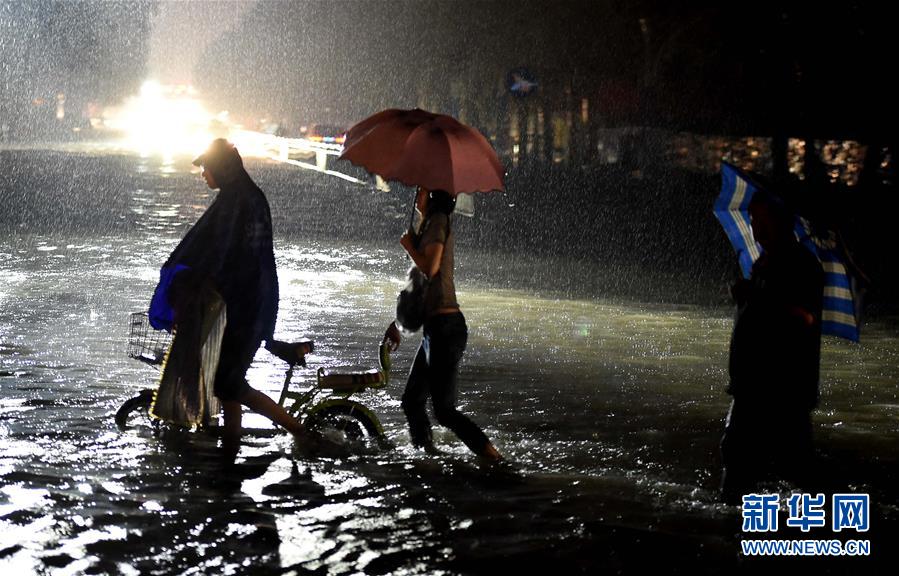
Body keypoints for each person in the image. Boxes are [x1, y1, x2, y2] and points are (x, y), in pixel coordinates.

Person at [164, 138, 305, 463]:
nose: (203, 174)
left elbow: (224, 254)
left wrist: (194, 283)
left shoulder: (237, 202)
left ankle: (300, 433)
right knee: (226, 382)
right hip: (251, 301)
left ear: (222, 169)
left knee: (229, 383)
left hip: (247, 306)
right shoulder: (243, 196)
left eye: (206, 167)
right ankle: (230, 450)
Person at [383, 187, 502, 461]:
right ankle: (428, 456)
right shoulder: (428, 226)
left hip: (446, 329)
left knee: (444, 411)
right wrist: (398, 324)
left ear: (433, 196)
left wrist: (410, 247)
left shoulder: (438, 222)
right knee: (413, 401)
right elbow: (421, 287)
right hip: (435, 329)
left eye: (422, 189)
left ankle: (496, 461)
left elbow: (431, 267)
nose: (418, 194)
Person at [720, 196, 824, 503]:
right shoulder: (764, 263)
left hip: (782, 387)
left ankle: (815, 530)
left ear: (781, 223)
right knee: (738, 459)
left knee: (794, 469)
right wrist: (747, 294)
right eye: (753, 222)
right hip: (751, 384)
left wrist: (758, 294)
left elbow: (804, 317)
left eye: (763, 222)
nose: (757, 230)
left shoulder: (803, 265)